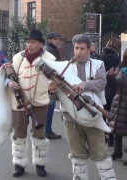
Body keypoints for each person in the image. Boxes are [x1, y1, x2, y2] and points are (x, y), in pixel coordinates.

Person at [48, 34, 116, 180]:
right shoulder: (64, 68)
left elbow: (101, 83)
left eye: (82, 49)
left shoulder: (98, 64)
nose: (78, 52)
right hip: (70, 118)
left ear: (90, 49)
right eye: (76, 48)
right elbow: (55, 97)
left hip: (93, 116)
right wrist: (51, 91)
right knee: (77, 156)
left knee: (100, 154)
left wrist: (83, 85)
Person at [5, 29, 56, 178]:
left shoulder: (50, 59)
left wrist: (52, 92)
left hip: (40, 102)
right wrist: (8, 83)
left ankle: (40, 165)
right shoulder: (17, 58)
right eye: (28, 42)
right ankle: (19, 164)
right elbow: (6, 77)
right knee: (19, 134)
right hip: (19, 103)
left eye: (33, 42)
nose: (29, 45)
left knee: (39, 134)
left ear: (40, 44)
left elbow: (55, 82)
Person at [99, 38, 121, 146]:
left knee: (103, 112)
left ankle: (103, 136)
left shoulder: (102, 54)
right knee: (111, 114)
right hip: (111, 86)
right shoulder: (115, 57)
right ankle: (111, 138)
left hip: (103, 86)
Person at [43, 32, 62, 139]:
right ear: (49, 40)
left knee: (45, 105)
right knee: (50, 105)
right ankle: (48, 130)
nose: (58, 41)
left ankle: (39, 127)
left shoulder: (50, 49)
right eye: (55, 39)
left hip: (47, 81)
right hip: (49, 81)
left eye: (58, 39)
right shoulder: (50, 51)